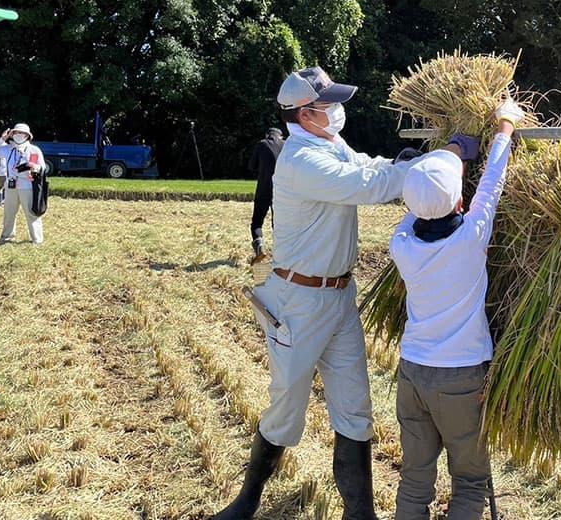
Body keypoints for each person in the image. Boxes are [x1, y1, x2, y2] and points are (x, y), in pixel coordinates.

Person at [212, 66, 471, 520]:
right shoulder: (301, 160)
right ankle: (247, 500)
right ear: (306, 113)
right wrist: (441, 160)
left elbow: (367, 167)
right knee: (286, 408)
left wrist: (402, 163)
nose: (338, 110)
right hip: (299, 303)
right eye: (329, 103)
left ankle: (360, 514)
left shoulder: (328, 143)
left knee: (355, 409)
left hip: (339, 297)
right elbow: (366, 186)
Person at [389, 97, 524, 520]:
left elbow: (420, 207)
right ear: (460, 202)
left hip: (412, 374)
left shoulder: (402, 244)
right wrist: (505, 125)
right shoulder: (471, 238)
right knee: (468, 485)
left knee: (414, 484)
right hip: (460, 379)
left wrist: (447, 155)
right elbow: (492, 183)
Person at [0, 123, 47, 244]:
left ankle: (37, 239)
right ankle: (6, 237)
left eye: (22, 133)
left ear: (27, 135)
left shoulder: (34, 150)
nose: (19, 135)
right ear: (12, 134)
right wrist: (2, 139)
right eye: (16, 133)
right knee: (9, 213)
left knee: (31, 214)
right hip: (10, 186)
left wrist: (32, 167)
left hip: (27, 186)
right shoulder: (8, 149)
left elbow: (43, 168)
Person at [248, 127, 284, 263]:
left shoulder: (261, 144)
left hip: (264, 188)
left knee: (257, 221)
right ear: (280, 136)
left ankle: (260, 247)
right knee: (279, 223)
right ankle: (280, 254)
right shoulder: (286, 146)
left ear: (267, 135)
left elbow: (251, 166)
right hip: (281, 190)